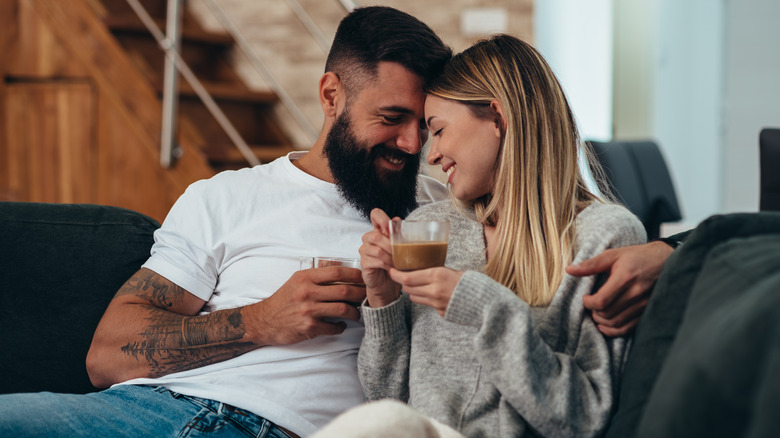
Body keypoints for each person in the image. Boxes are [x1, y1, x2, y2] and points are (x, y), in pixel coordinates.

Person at [0, 7, 452, 438]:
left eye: (425, 125)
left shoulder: (442, 218)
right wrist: (260, 320)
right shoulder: (225, 196)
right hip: (142, 412)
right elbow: (106, 356)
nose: (412, 144)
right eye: (392, 118)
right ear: (332, 95)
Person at [315, 34, 647, 437]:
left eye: (437, 130)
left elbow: (584, 419)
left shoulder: (604, 237)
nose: (430, 154)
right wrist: (384, 302)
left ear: (497, 119)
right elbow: (389, 397)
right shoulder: (434, 228)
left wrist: (484, 307)